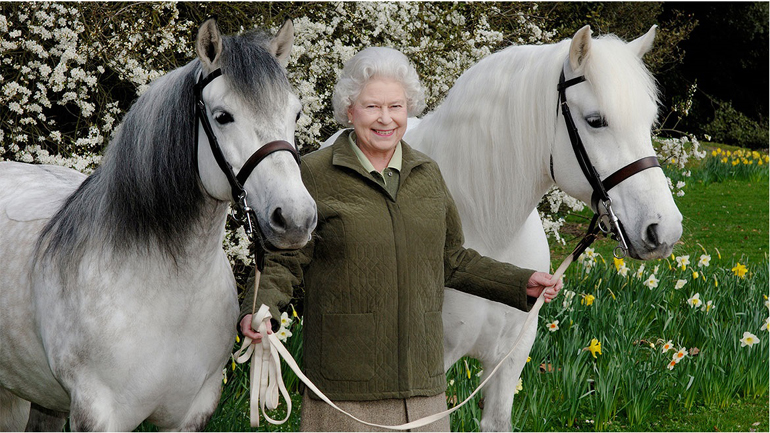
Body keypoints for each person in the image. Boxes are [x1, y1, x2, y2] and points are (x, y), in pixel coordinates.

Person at [239, 47, 563, 432]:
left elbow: (451, 259)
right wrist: (260, 308)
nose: (385, 118)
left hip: (423, 389)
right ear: (349, 109)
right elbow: (285, 259)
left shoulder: (427, 174)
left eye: (396, 106)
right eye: (372, 106)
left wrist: (518, 282)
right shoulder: (314, 173)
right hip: (346, 390)